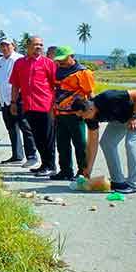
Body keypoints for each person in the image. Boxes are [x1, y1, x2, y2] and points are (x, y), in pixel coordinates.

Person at [70, 89, 136, 194]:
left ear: (90, 109)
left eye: (83, 115)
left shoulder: (108, 97)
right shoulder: (89, 118)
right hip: (119, 118)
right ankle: (118, 181)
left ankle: (133, 184)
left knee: (131, 144)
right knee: (107, 143)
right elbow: (92, 143)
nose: (83, 118)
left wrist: (135, 117)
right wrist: (88, 168)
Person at [10, 36, 57, 176]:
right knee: (37, 137)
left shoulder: (48, 63)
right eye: (36, 44)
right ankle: (44, 164)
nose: (39, 47)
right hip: (29, 106)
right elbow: (15, 84)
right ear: (28, 47)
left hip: (46, 106)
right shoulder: (20, 63)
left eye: (41, 45)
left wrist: (55, 105)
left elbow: (55, 85)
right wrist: (13, 102)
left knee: (48, 138)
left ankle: (51, 166)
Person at [49, 46, 93, 180]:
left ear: (72, 56)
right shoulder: (57, 71)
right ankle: (65, 171)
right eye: (58, 60)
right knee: (62, 145)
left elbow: (90, 94)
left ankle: (83, 171)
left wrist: (92, 114)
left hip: (76, 115)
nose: (60, 62)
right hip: (60, 114)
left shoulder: (83, 72)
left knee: (80, 145)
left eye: (63, 59)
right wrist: (52, 111)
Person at [0, 39, 37, 165]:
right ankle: (17, 155)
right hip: (4, 100)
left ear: (13, 46)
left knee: (25, 127)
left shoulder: (19, 59)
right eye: (2, 46)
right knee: (11, 128)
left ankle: (32, 156)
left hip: (19, 98)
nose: (4, 48)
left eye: (7, 45)